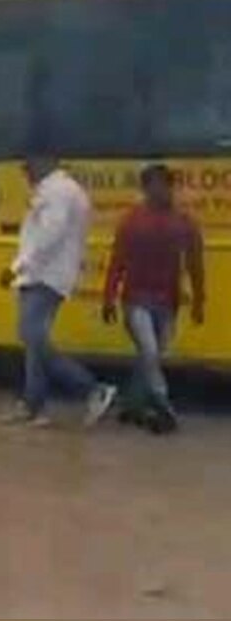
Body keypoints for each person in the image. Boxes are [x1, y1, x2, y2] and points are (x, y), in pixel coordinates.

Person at [0, 153, 117, 428]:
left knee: (32, 337)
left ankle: (91, 388)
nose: (24, 173)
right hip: (47, 275)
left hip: (44, 276)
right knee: (34, 341)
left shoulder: (58, 192)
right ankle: (32, 406)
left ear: (44, 163)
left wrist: (17, 266)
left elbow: (48, 236)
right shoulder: (63, 190)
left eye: (27, 167)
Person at [102, 164, 205, 434]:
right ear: (145, 189)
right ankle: (162, 403)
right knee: (149, 351)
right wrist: (109, 298)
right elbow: (117, 262)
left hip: (168, 302)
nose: (160, 191)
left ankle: (132, 406)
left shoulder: (184, 223)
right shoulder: (131, 221)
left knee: (152, 357)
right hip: (136, 300)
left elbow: (195, 265)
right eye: (154, 185)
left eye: (165, 185)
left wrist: (198, 302)